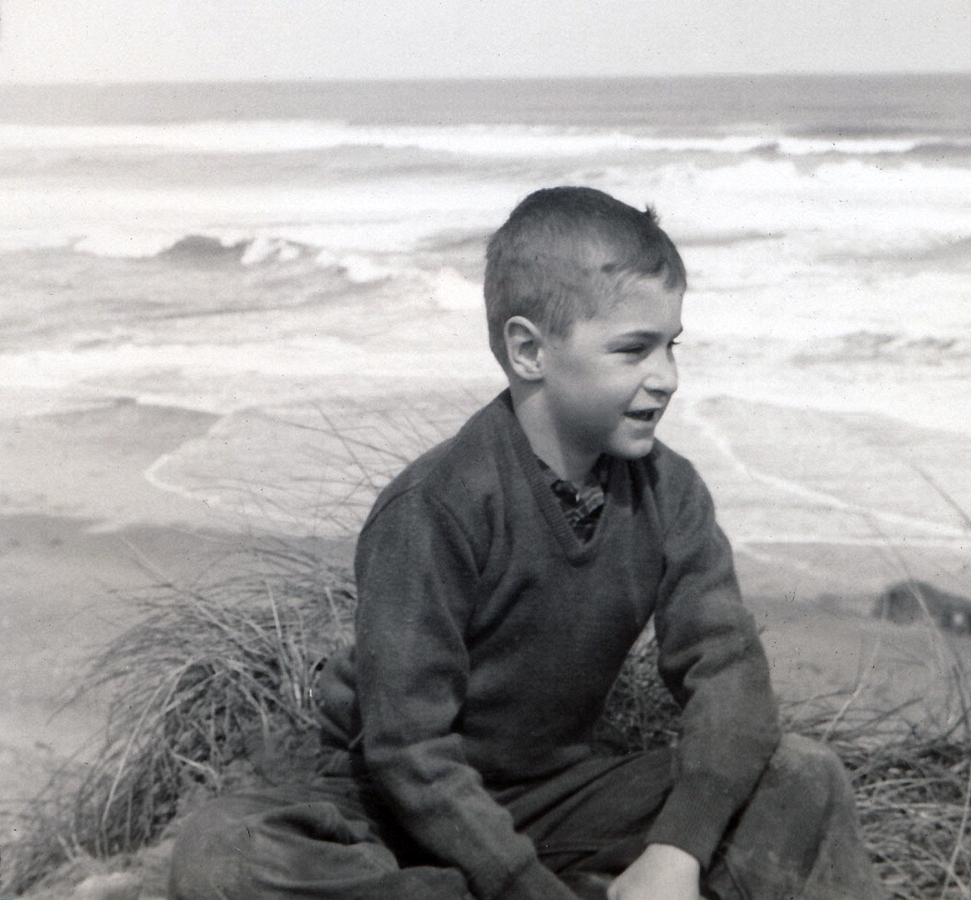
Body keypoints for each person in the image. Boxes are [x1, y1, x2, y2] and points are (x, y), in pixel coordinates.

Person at [169, 187, 882, 900]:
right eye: (633, 349)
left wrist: (676, 851)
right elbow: (408, 752)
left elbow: (728, 675)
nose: (665, 377)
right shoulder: (435, 507)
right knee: (225, 856)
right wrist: (523, 887)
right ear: (528, 350)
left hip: (553, 798)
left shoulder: (671, 491)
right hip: (386, 804)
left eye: (670, 346)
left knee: (802, 776)